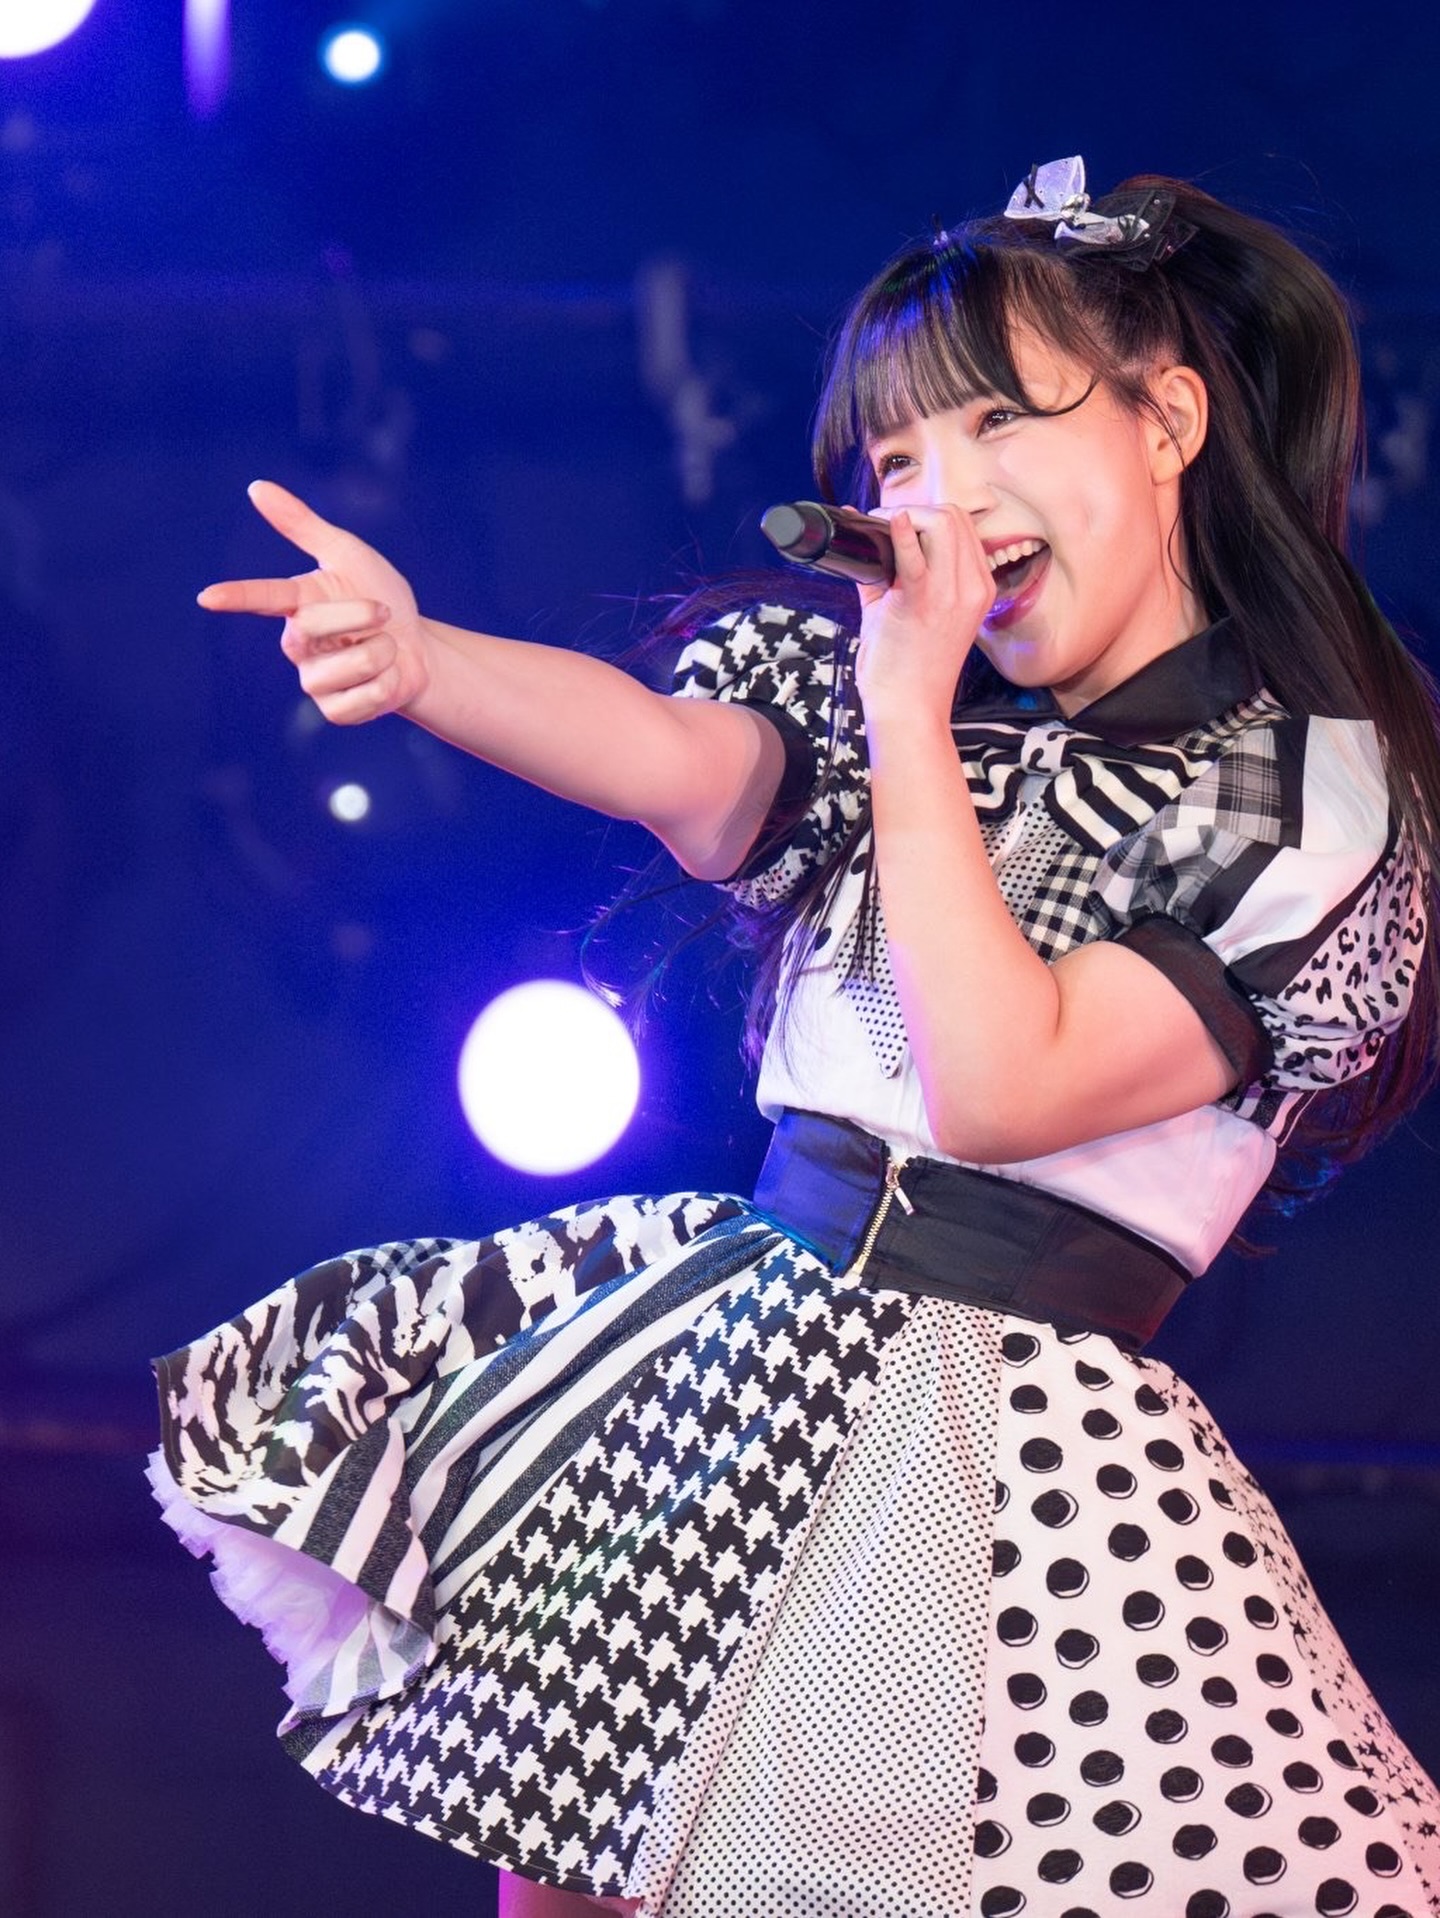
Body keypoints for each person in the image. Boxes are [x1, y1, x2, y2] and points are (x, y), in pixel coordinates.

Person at [151, 158, 1440, 1918]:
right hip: (744, 1365)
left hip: (1016, 1460)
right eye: (896, 459)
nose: (936, 494)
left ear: (1168, 420)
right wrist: (423, 657)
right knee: (588, 1867)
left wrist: (908, 712)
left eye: (997, 420)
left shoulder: (1303, 797)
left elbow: (1003, 1084)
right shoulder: (913, 727)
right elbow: (680, 758)